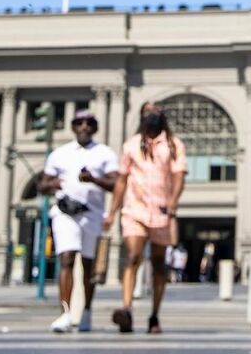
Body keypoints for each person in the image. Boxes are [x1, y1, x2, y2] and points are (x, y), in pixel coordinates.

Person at [104, 103, 187, 334]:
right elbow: (121, 180)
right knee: (133, 256)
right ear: (141, 116)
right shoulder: (131, 145)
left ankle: (154, 315)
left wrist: (173, 202)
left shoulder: (173, 145)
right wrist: (112, 212)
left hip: (161, 211)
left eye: (157, 110)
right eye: (148, 111)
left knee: (159, 264)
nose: (153, 114)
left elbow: (179, 176)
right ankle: (127, 309)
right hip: (135, 209)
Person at [39, 109, 118, 333]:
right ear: (73, 127)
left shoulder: (105, 153)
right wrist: (51, 185)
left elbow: (115, 184)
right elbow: (42, 185)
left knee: (89, 266)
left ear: (95, 127)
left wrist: (93, 178)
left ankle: (87, 311)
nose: (84, 127)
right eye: (79, 123)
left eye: (89, 123)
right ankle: (65, 313)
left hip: (92, 214)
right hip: (65, 213)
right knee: (66, 258)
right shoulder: (59, 154)